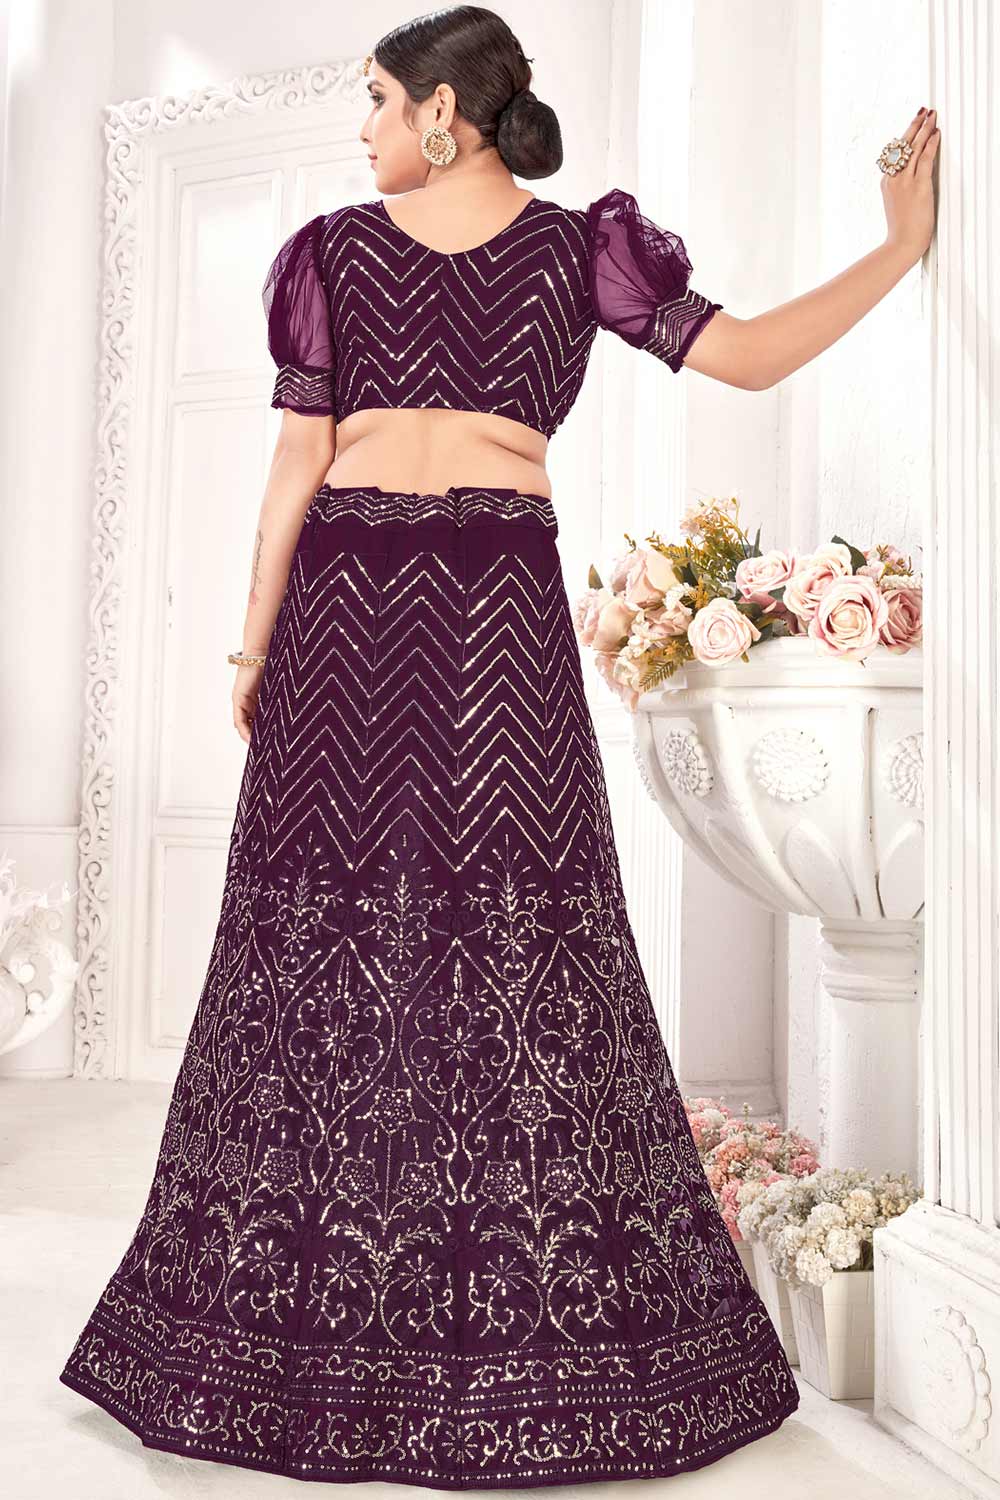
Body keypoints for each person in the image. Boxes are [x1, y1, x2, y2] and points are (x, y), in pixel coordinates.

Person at [59, 4, 940, 1488]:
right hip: (345, 606)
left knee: (525, 939)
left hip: (495, 611)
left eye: (376, 101)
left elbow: (745, 357)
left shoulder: (580, 249)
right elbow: (295, 462)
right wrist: (252, 646)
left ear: (444, 113)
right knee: (313, 952)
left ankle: (522, 1320)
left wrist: (898, 249)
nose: (361, 130)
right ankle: (299, 1317)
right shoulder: (330, 251)